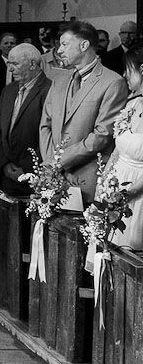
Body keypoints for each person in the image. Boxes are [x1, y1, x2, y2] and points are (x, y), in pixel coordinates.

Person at [40, 21, 128, 201]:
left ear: (84, 45)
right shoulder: (59, 80)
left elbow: (102, 135)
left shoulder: (113, 82)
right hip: (52, 179)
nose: (59, 51)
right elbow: (45, 124)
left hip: (87, 182)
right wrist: (50, 164)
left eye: (64, 44)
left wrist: (60, 161)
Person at [0, 44, 51, 196]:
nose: (10, 69)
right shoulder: (8, 90)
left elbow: (52, 136)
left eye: (15, 64)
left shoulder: (50, 90)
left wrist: (26, 168)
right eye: (9, 64)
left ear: (32, 64)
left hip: (36, 176)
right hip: (8, 176)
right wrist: (4, 164)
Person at [107, 43, 143, 249]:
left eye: (128, 70)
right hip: (117, 191)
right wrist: (106, 185)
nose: (124, 74)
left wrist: (126, 195)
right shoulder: (132, 104)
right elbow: (117, 149)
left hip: (137, 195)